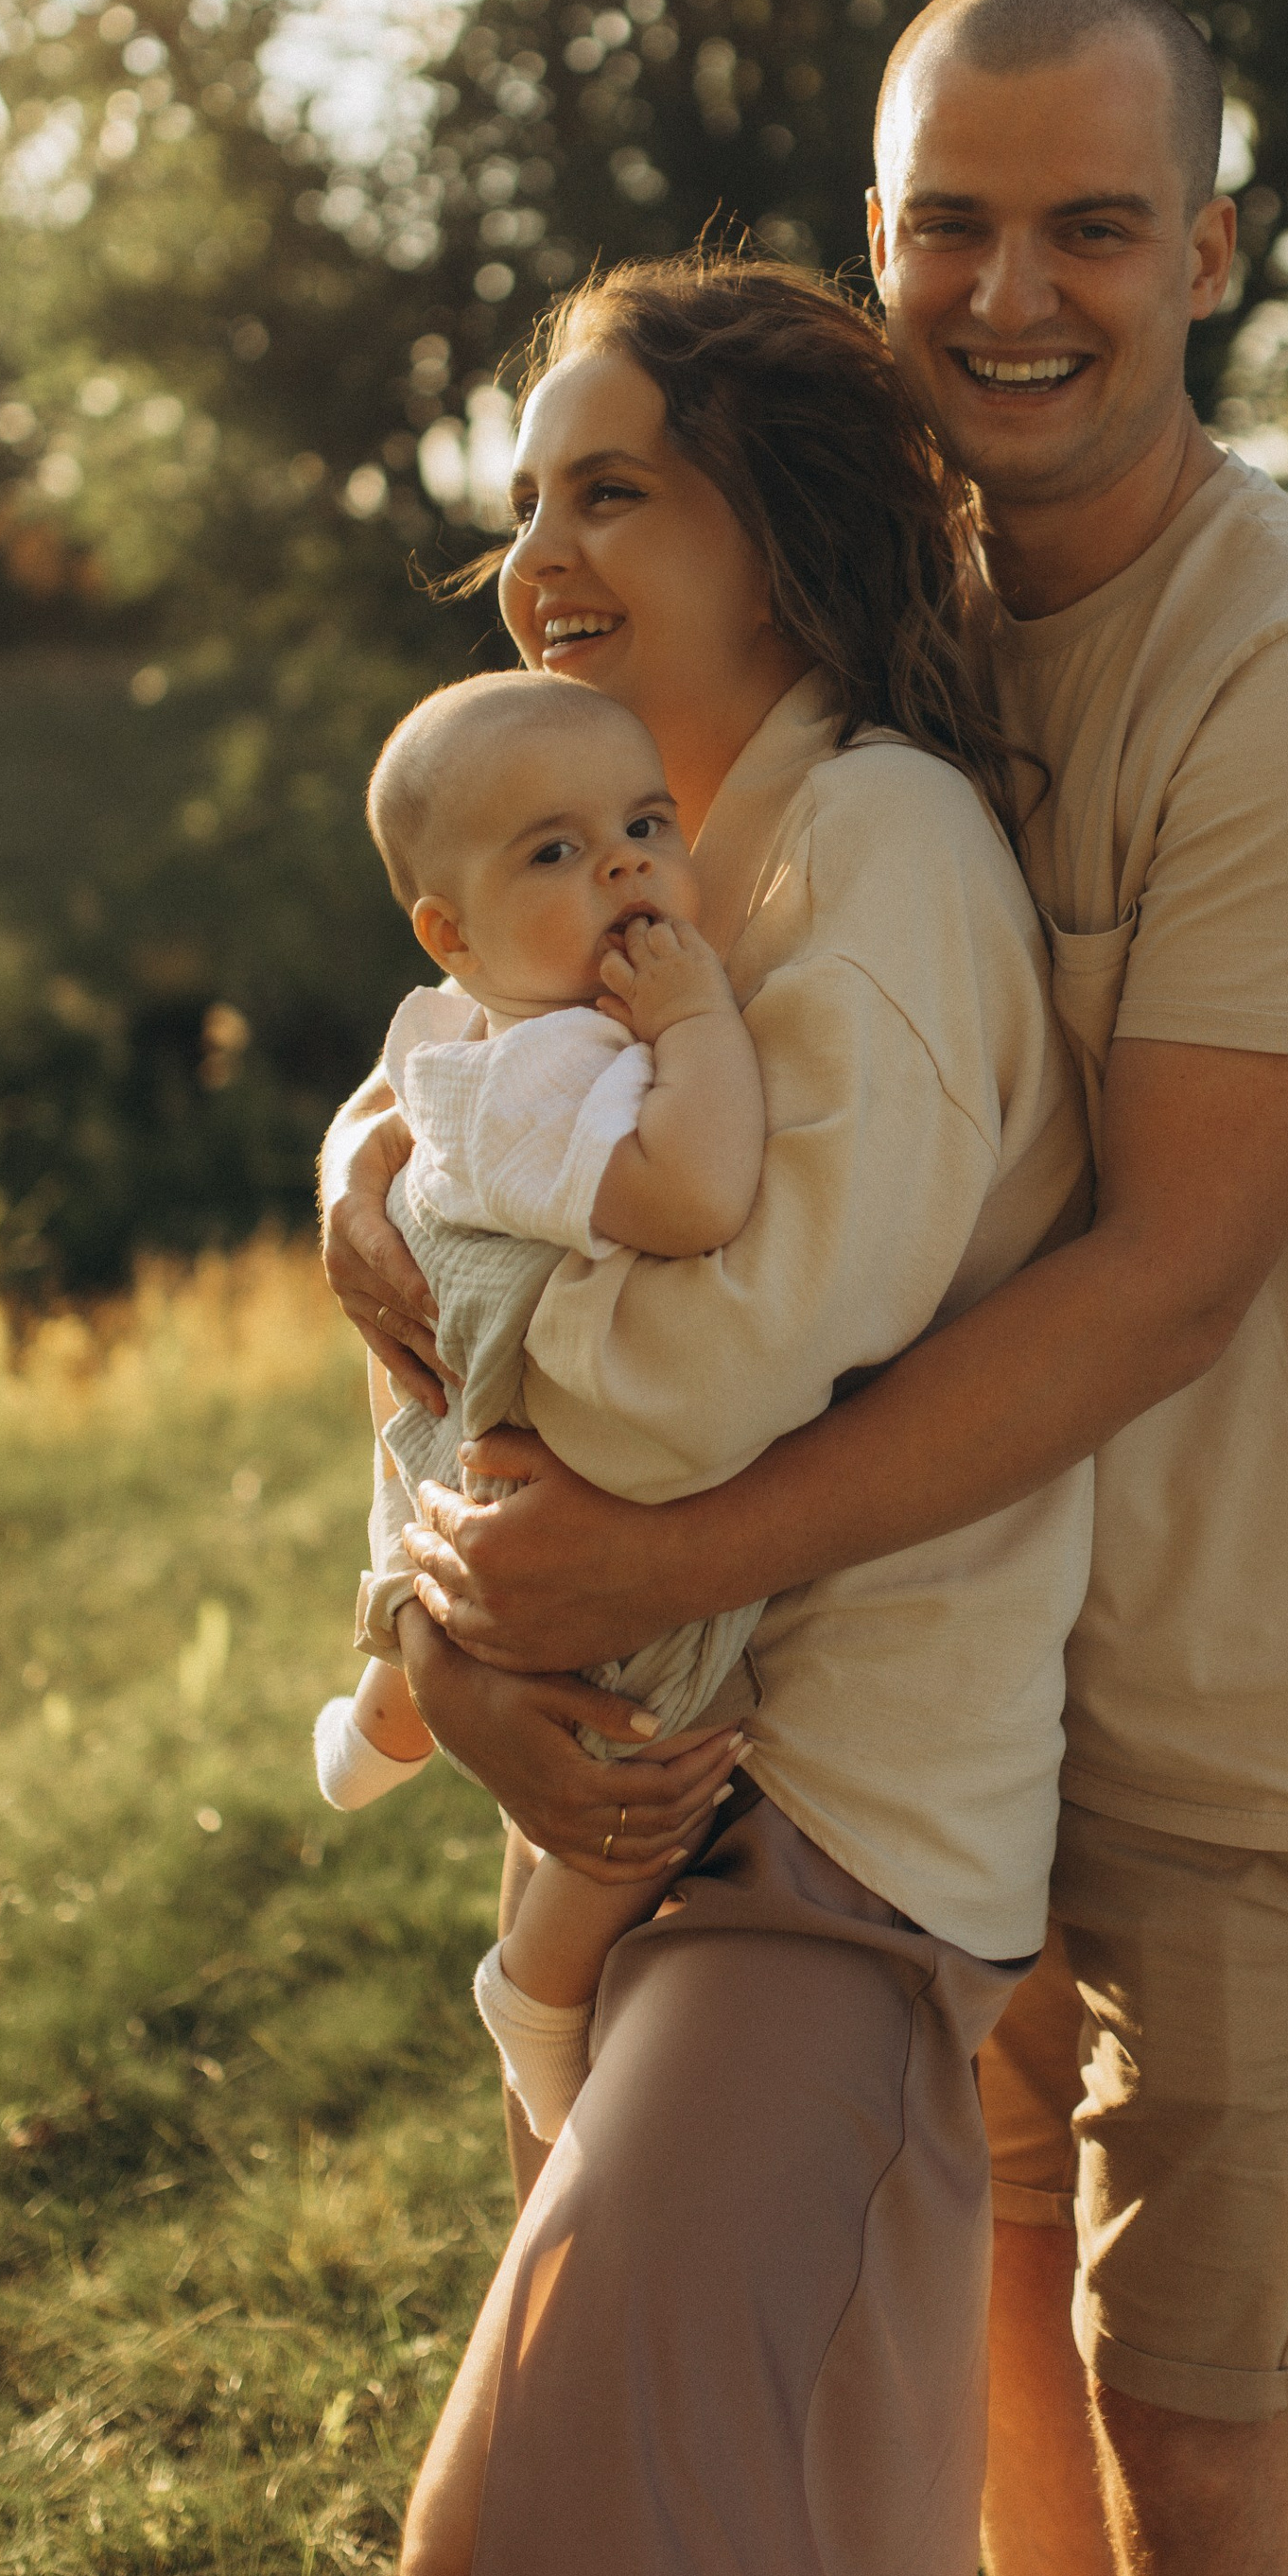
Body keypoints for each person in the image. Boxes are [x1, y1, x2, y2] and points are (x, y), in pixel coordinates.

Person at [365, 0, 1288, 2576]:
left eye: (1093, 221)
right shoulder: (877, 659)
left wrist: (588, 1564)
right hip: (946, 1680)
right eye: (953, 225)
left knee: (1192, 2409)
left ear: (1210, 249)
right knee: (971, 2372)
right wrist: (391, 1284)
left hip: (1249, 1692)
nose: (1019, 285)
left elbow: (1154, 1288)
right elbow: (547, 1100)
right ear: (879, 263)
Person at [322, 257, 1093, 2576]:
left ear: (772, 525)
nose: (541, 543)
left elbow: (723, 1354)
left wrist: (427, 1312)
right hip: (707, 1831)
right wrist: (392, 1249)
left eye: (610, 485)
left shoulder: (865, 841)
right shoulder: (638, 863)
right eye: (527, 491)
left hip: (835, 1834)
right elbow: (448, 1173)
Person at [312, 669, 771, 2146]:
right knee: (672, 1738)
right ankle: (542, 1978)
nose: (629, 864)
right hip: (555, 1460)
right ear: (451, 929)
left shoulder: (461, 1026)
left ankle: (383, 1712)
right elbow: (694, 1190)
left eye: (646, 822)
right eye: (557, 852)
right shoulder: (551, 1069)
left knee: (413, 1500)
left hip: (485, 1425)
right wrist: (700, 1021)